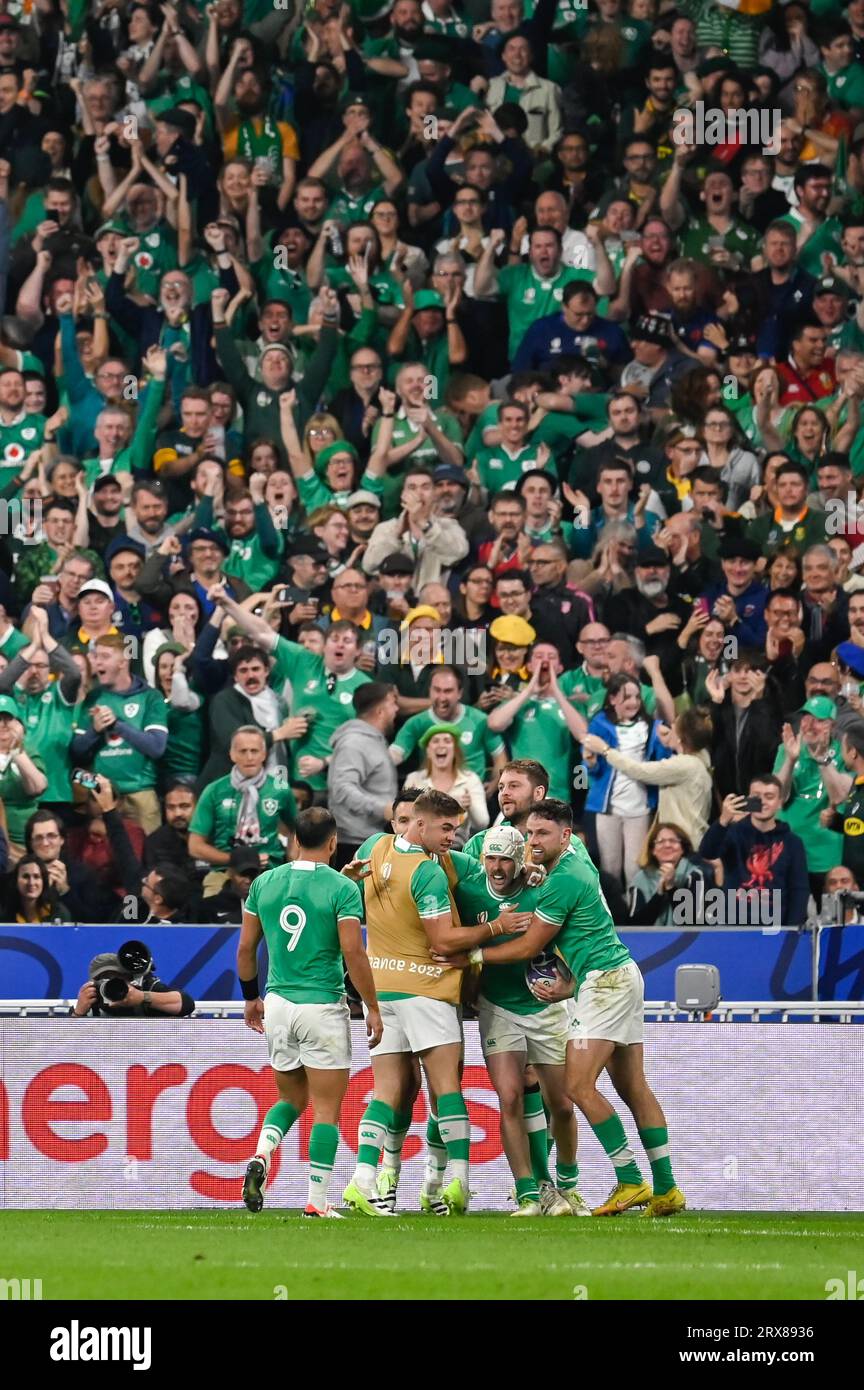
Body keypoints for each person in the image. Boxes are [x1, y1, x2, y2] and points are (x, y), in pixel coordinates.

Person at [472, 799, 686, 1218]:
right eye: (530, 834)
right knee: (633, 1087)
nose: (533, 841)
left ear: (566, 836)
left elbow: (530, 946)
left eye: (542, 834)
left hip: (604, 983)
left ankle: (629, 1180)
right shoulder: (576, 858)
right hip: (619, 975)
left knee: (577, 1086)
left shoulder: (563, 880)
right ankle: (666, 1188)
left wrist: (476, 957)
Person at [342, 789, 521, 1217]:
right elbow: (442, 940)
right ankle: (455, 1181)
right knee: (446, 1089)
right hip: (429, 989)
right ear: (418, 824)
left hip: (382, 990)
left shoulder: (373, 848)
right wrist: (496, 927)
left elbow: (479, 872)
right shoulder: (427, 873)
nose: (452, 837)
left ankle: (363, 1180)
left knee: (386, 1091)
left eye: (456, 829)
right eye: (445, 828)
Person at [237, 806, 383, 1219]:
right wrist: (372, 1006)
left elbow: (247, 949)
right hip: (321, 1004)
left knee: (290, 1096)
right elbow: (354, 951)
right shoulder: (342, 889)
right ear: (334, 842)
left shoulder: (264, 883)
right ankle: (317, 1202)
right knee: (326, 1109)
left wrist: (251, 998)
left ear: (294, 840)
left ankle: (262, 1155)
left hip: (278, 1003)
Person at [446, 825, 588, 1217]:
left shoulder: (540, 890)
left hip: (544, 1008)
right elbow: (435, 859)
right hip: (497, 1007)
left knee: (561, 1103)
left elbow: (574, 938)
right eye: (490, 858)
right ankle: (529, 1193)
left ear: (520, 860)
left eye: (505, 859)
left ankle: (568, 1185)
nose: (497, 866)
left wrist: (570, 983)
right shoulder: (469, 889)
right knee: (508, 1097)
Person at [582, 674, 673, 886]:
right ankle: (612, 915)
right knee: (609, 867)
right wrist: (591, 761)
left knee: (635, 868)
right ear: (613, 699)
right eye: (627, 697)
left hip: (639, 807)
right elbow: (591, 769)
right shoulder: (598, 724)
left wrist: (666, 742)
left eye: (637, 697)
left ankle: (635, 916)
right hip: (607, 808)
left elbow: (663, 762)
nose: (633, 702)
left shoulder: (651, 726)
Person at [700, 777, 810, 927]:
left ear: (779, 802)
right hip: (733, 927)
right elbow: (707, 852)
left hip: (775, 929)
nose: (762, 801)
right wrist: (723, 820)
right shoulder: (732, 833)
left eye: (769, 797)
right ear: (747, 799)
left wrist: (791, 931)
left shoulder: (793, 842)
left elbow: (799, 890)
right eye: (756, 796)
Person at [188, 726, 297, 877]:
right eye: (243, 751)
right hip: (225, 871)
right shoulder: (214, 790)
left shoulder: (280, 789)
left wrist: (292, 862)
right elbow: (195, 846)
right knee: (213, 899)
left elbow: (297, 830)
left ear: (264, 754)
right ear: (232, 754)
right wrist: (235, 860)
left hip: (270, 872)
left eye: (254, 751)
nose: (249, 757)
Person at [327, 683, 400, 867]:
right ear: (380, 711)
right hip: (353, 844)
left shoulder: (372, 740)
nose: (397, 709)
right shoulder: (355, 742)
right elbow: (342, 789)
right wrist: (382, 809)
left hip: (370, 839)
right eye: (393, 703)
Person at [404, 723, 490, 845]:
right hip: (419, 846)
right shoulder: (414, 779)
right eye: (435, 741)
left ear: (455, 750)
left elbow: (482, 823)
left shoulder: (470, 779)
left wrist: (470, 807)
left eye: (447, 741)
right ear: (428, 751)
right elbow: (404, 818)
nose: (441, 745)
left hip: (456, 846)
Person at [627, 823, 712, 927]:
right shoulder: (641, 879)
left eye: (673, 841)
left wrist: (671, 888)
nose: (667, 845)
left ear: (682, 849)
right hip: (649, 941)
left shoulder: (696, 875)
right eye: (661, 841)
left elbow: (698, 924)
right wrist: (659, 894)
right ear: (653, 850)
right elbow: (634, 927)